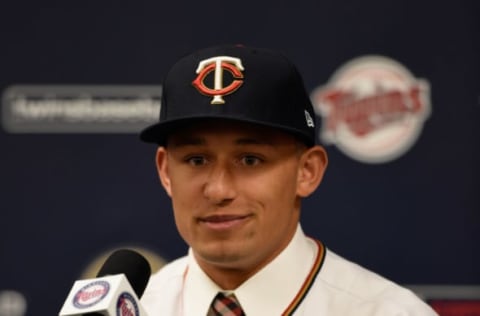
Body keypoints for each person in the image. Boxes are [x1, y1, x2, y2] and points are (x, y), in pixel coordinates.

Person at [139, 45, 438, 315]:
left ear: (307, 171)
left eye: (250, 160)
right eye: (196, 160)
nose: (219, 190)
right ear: (166, 171)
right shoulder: (127, 310)